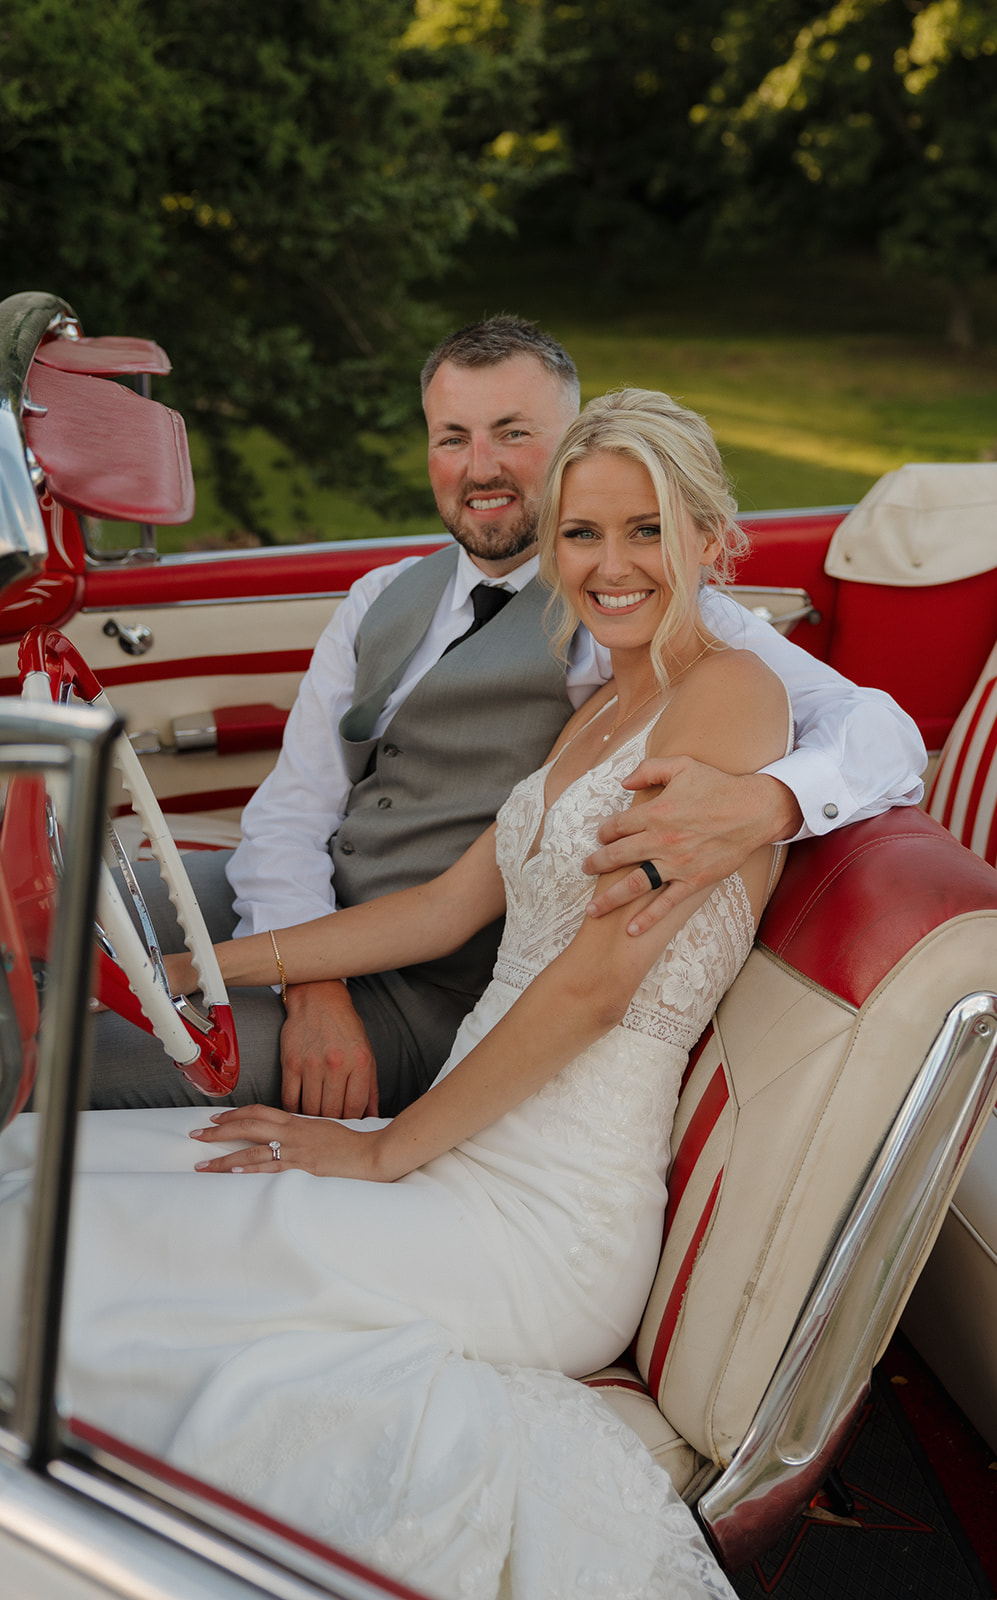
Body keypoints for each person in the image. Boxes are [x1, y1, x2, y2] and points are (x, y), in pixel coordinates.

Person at [2, 388, 788, 1599]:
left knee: (70, 1255)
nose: (611, 564)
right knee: (39, 1160)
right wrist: (188, 972)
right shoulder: (596, 709)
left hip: (543, 1220)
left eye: (649, 530)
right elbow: (440, 910)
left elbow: (590, 986)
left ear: (714, 540)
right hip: (453, 1156)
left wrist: (378, 1153)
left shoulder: (731, 697)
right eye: (582, 533)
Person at [89, 317, 925, 1121]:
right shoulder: (379, 598)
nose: (479, 467)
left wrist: (771, 802)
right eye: (452, 437)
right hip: (313, 923)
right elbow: (296, 807)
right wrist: (310, 982)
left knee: (50, 1041)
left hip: (427, 995)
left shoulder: (627, 611)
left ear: (572, 448)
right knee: (52, 923)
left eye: (513, 434)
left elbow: (881, 732)